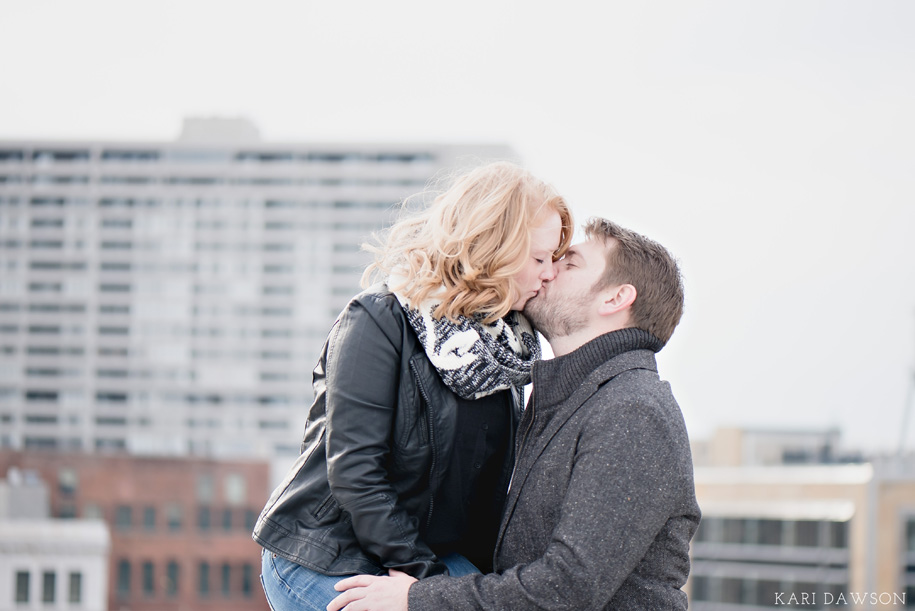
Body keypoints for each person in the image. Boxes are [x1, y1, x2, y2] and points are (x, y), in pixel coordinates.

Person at [328, 217, 701, 611]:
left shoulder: (633, 412)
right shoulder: (569, 401)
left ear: (615, 299)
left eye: (569, 263)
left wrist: (417, 599)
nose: (546, 270)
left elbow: (567, 587)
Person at [252, 161, 573, 611]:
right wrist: (429, 591)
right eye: (539, 259)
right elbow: (356, 472)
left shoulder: (507, 349)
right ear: (491, 248)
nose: (549, 274)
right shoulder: (379, 319)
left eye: (554, 261)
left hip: (427, 557)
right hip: (327, 552)